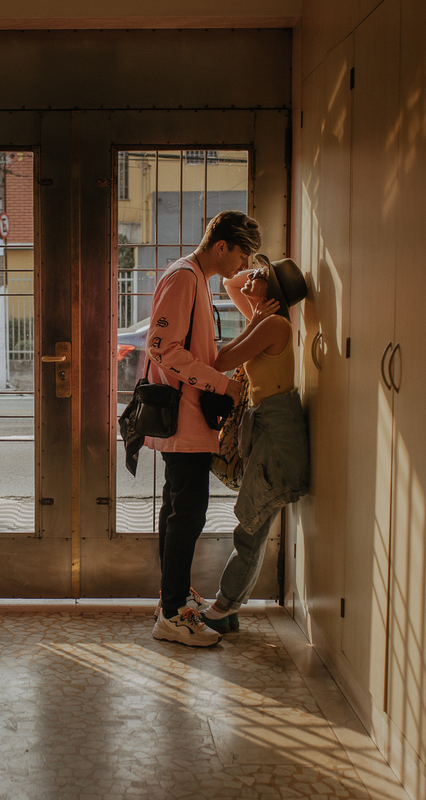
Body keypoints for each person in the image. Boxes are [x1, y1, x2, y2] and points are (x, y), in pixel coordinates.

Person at [145, 210, 259, 648]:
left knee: (178, 509)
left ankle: (170, 601)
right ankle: (173, 612)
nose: (243, 266)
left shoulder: (195, 277)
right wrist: (221, 384)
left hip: (190, 418)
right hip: (185, 417)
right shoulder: (185, 277)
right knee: (186, 513)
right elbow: (162, 349)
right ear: (222, 245)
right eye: (241, 254)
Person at [200, 255, 310, 633]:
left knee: (252, 522)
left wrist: (261, 311)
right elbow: (232, 284)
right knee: (254, 519)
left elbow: (221, 359)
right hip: (268, 424)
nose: (251, 277)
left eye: (261, 275)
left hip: (277, 427)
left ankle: (225, 605)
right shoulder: (266, 318)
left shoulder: (273, 324)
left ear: (274, 291)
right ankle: (228, 606)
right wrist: (261, 279)